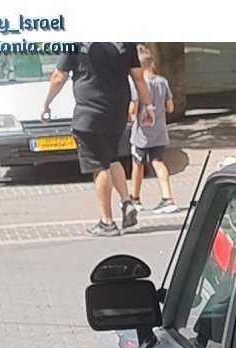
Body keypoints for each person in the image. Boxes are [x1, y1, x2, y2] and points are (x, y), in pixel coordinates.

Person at [43, 42, 153, 237]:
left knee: (99, 165)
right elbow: (138, 77)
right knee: (111, 157)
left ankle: (107, 222)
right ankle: (127, 202)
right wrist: (149, 106)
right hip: (117, 112)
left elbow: (59, 76)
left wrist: (46, 103)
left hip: (89, 114)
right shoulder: (124, 41)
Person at [126, 46, 178, 215]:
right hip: (159, 131)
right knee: (158, 162)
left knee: (138, 163)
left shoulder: (137, 84)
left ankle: (135, 198)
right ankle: (168, 197)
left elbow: (133, 108)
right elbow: (170, 107)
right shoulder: (163, 82)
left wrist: (130, 114)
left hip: (141, 134)